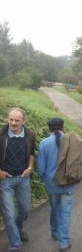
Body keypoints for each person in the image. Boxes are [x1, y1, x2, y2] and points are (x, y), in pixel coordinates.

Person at [0, 108, 35, 251]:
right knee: (9, 213)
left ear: (23, 121)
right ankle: (16, 244)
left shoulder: (30, 135)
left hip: (22, 178)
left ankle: (17, 230)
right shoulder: (1, 135)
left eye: (17, 121)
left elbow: (32, 153)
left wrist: (30, 167)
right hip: (5, 180)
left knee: (25, 210)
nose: (13, 123)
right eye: (11, 119)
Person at [37, 118, 74, 252]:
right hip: (67, 182)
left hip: (51, 183)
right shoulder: (70, 140)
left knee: (54, 207)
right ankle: (64, 242)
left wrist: (43, 179)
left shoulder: (44, 143)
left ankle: (54, 231)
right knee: (65, 212)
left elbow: (41, 167)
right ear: (62, 127)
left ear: (49, 129)